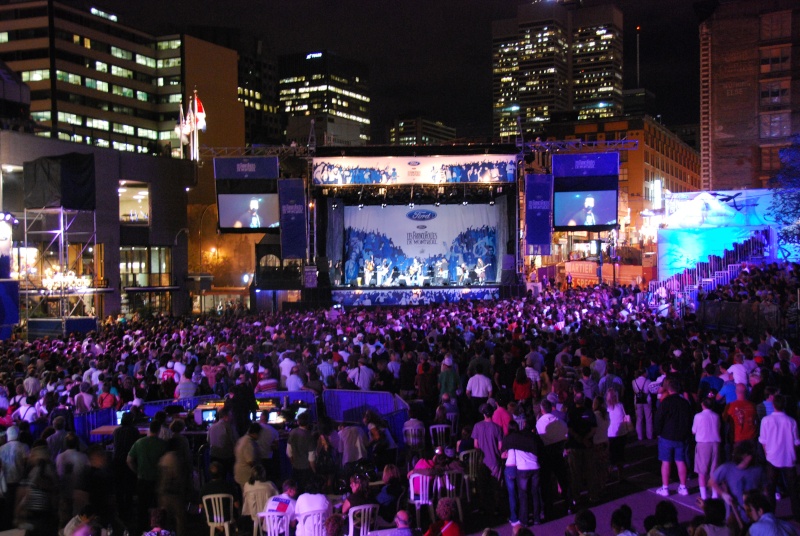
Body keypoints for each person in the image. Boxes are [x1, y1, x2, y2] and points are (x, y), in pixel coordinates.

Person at [759, 393, 800, 521]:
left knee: (771, 488)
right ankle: (797, 516)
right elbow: (796, 442)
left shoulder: (766, 420)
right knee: (793, 489)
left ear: (773, 404)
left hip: (772, 457)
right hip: (789, 458)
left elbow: (763, 441)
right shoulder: (791, 421)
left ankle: (771, 515)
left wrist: (767, 454)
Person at [709, 441, 766, 525]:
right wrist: (723, 494)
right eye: (749, 454)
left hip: (753, 515)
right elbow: (711, 482)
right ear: (744, 455)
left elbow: (764, 488)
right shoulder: (727, 468)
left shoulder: (757, 470)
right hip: (734, 515)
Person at [654, 377, 692, 497]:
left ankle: (665, 488)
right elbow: (690, 419)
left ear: (669, 389)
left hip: (666, 435)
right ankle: (683, 486)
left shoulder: (666, 402)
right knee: (681, 461)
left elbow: (659, 418)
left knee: (666, 462)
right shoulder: (685, 402)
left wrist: (658, 432)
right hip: (681, 436)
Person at [127, 420, 167, 533]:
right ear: (159, 430)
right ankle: (157, 531)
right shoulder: (163, 444)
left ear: (149, 429)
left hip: (142, 479)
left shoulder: (139, 443)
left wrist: (137, 471)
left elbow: (129, 460)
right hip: (157, 480)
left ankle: (141, 530)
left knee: (142, 507)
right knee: (156, 508)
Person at [471, 403, 502, 515]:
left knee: (482, 485)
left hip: (482, 461)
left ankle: (483, 507)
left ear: (484, 414)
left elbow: (476, 445)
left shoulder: (477, 426)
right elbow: (500, 447)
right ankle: (497, 508)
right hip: (494, 460)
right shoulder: (497, 428)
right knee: (496, 486)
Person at [692, 397, 721, 502]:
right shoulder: (716, 416)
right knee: (714, 470)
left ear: (703, 405)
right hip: (716, 443)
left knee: (702, 471)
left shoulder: (698, 416)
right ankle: (715, 494)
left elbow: (694, 430)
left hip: (703, 444)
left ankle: (703, 496)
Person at [287, 411, 316, 490]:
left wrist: (293, 462)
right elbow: (311, 458)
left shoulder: (292, 432)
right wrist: (314, 471)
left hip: (295, 467)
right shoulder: (309, 436)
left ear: (298, 422)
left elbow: (289, 452)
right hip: (306, 469)